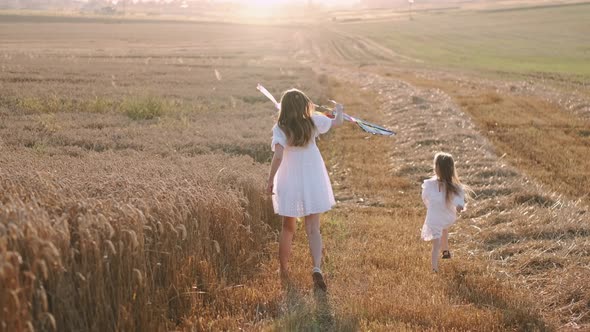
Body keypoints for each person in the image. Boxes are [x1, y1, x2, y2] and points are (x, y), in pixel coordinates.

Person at [266, 89, 343, 291]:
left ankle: (283, 269)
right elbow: (337, 122)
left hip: (290, 180)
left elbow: (279, 156)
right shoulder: (313, 121)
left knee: (287, 227)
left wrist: (270, 179)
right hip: (312, 178)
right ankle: (316, 267)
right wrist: (339, 110)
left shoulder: (280, 127)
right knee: (313, 228)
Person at [421, 152, 468, 272]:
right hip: (447, 216)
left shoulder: (430, 185)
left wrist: (431, 207)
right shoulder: (454, 186)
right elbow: (459, 202)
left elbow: (425, 198)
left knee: (436, 244)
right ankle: (446, 251)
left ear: (437, 168)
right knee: (444, 228)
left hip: (436, 218)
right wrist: (459, 207)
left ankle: (434, 269)